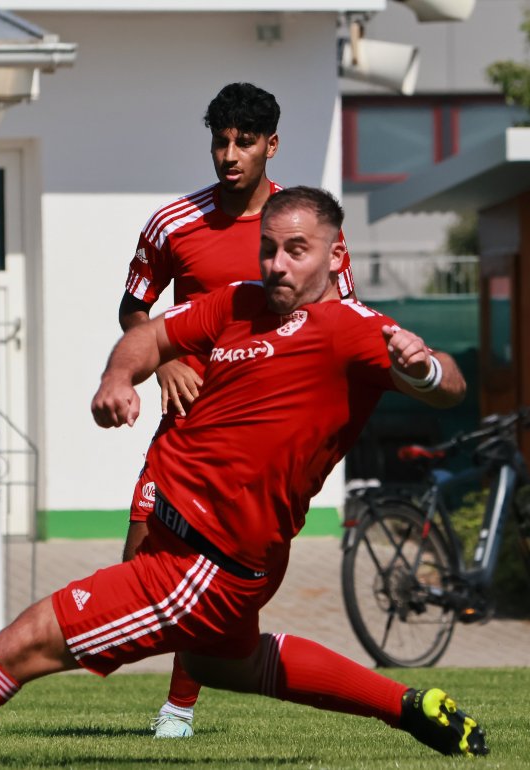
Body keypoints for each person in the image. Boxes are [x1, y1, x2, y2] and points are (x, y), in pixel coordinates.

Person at [0, 186, 488, 766]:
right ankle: (411, 709)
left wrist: (422, 367)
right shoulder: (237, 303)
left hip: (202, 564)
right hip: (202, 552)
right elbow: (149, 334)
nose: (276, 264)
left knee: (23, 644)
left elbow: (450, 384)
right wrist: (120, 378)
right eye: (269, 247)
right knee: (229, 667)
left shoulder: (353, 330)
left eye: (295, 251)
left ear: (336, 256)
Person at [121, 82, 357, 738]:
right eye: (220, 141)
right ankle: (206, 666)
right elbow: (134, 307)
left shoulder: (303, 225)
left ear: (270, 146)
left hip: (265, 433)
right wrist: (164, 361)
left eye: (244, 142)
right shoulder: (174, 224)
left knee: (222, 571)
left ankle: (179, 707)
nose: (229, 154)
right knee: (139, 563)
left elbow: (340, 321)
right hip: (189, 425)